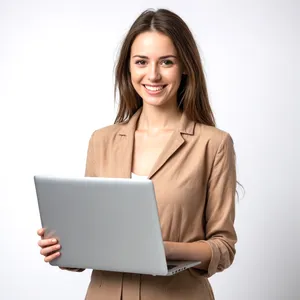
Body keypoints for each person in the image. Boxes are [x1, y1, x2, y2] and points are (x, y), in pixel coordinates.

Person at [37, 8, 238, 300]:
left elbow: (223, 246)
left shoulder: (213, 145)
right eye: (141, 62)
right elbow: (92, 236)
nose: (153, 74)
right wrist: (64, 248)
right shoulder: (102, 141)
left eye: (166, 62)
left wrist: (161, 249)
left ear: (184, 67)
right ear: (128, 68)